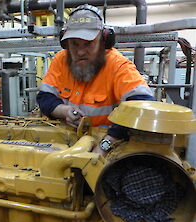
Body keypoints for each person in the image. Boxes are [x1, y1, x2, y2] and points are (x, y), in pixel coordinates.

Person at [36, 4, 154, 156]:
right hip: (65, 141)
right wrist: (64, 112)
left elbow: (141, 106)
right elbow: (45, 97)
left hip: (108, 142)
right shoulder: (61, 60)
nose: (79, 51)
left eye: (88, 43)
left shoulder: (117, 65)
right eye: (74, 43)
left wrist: (105, 145)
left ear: (104, 40)